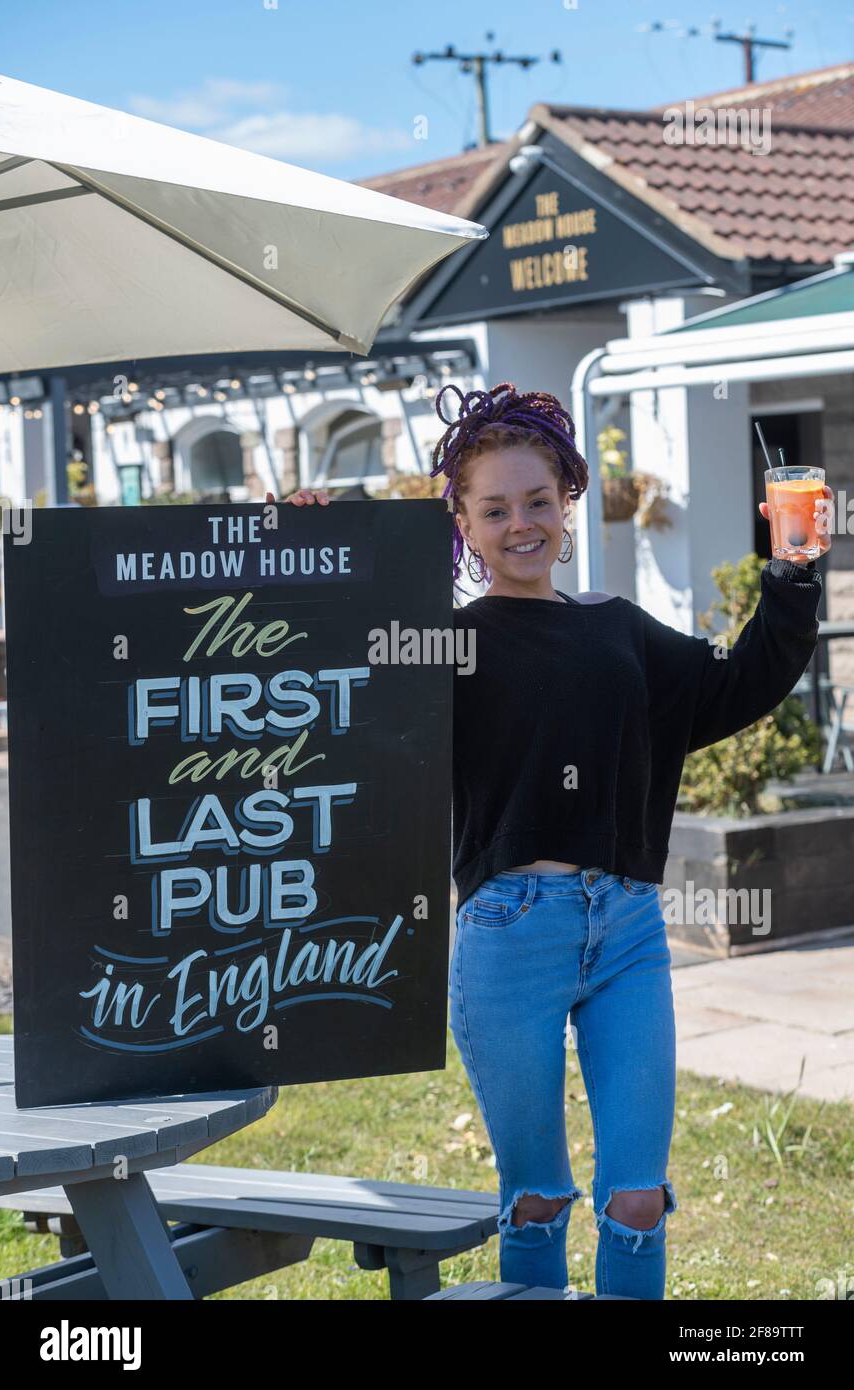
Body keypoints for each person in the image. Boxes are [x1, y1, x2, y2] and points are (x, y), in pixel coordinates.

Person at [274, 380, 832, 1299]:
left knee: (639, 1197)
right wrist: (314, 553)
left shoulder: (618, 627)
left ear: (569, 500)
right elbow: (336, 685)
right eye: (494, 508)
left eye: (538, 500)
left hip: (627, 934)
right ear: (461, 519)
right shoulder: (441, 645)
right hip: (506, 937)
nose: (520, 523)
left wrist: (795, 571)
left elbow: (736, 685)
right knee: (534, 1198)